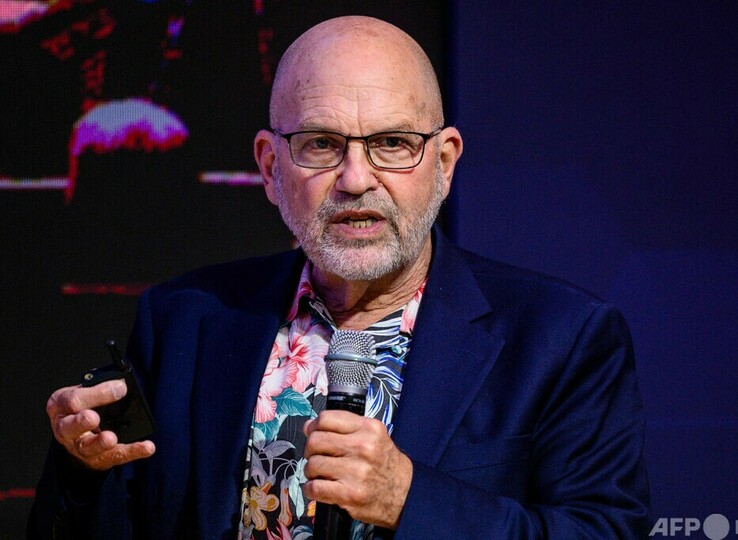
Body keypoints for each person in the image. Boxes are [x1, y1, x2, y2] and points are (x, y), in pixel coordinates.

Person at [29, 15, 650, 539]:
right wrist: (82, 471)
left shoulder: (561, 339)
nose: (356, 179)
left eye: (393, 143)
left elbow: (604, 531)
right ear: (270, 168)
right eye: (322, 144)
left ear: (443, 164)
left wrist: (411, 499)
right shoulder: (184, 321)